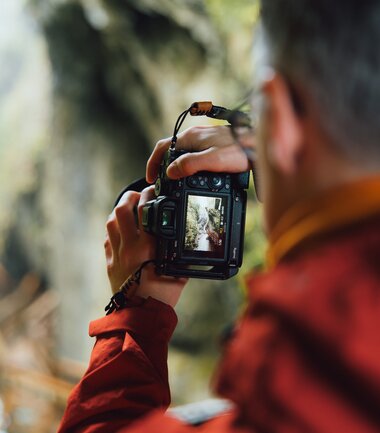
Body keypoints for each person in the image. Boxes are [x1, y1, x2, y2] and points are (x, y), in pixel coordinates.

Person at [57, 0, 380, 432]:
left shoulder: (296, 377)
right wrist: (272, 149)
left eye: (256, 124)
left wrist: (135, 315)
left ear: (279, 116)